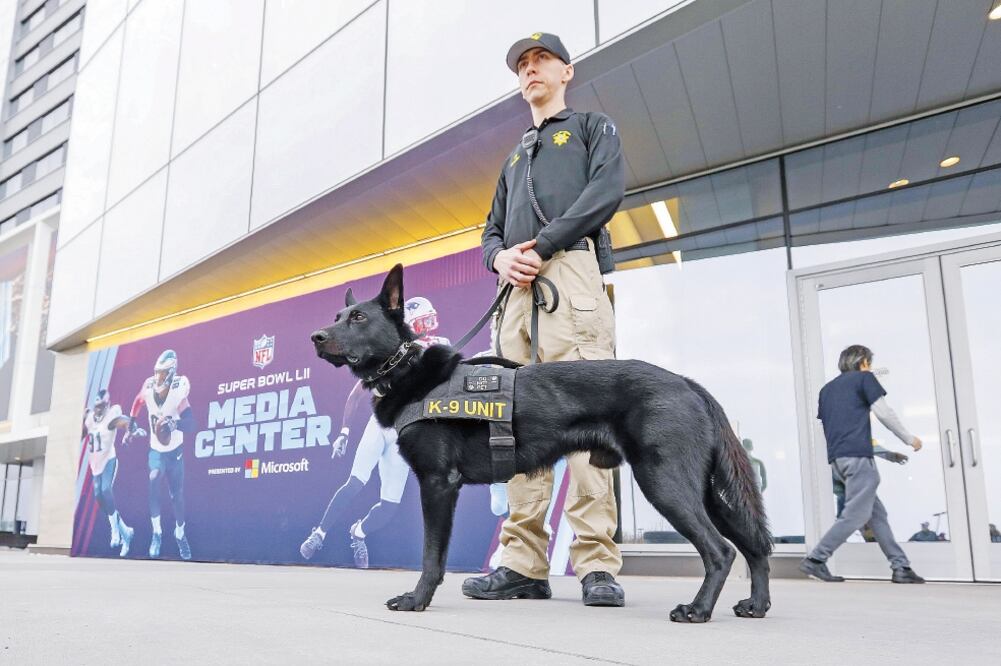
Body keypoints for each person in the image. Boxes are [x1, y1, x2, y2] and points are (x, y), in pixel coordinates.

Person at [464, 32, 626, 607]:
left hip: (571, 278)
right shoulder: (513, 155)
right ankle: (524, 564)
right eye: (522, 65)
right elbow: (488, 230)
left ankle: (596, 564)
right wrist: (500, 258)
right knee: (514, 428)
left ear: (567, 72)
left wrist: (545, 243)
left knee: (587, 423)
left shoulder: (591, 129)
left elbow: (606, 191)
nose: (530, 71)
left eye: (542, 61)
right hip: (517, 295)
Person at [300, 297, 449, 568]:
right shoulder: (391, 352)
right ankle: (318, 533)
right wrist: (344, 432)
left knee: (389, 505)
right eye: (423, 322)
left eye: (430, 321)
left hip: (405, 433)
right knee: (355, 481)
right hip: (381, 425)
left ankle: (358, 532)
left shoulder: (435, 349)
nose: (428, 327)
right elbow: (357, 394)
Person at [800, 345, 925, 584]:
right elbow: (884, 413)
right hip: (858, 460)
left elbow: (841, 428)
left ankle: (901, 567)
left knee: (876, 515)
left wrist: (886, 454)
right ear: (864, 362)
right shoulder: (864, 379)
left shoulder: (827, 390)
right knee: (855, 516)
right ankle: (816, 559)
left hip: (839, 461)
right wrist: (910, 439)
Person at [129, 350, 196, 560]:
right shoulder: (149, 386)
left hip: (174, 451)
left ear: (170, 374)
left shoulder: (178, 390)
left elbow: (192, 423)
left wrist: (175, 424)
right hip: (156, 449)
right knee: (153, 479)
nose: (157, 378)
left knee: (177, 496)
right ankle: (157, 532)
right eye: (156, 373)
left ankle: (179, 534)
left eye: (161, 374)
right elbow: (138, 400)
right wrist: (132, 421)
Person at [82, 389, 145, 557]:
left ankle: (116, 531)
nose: (99, 409)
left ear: (107, 405)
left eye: (103, 405)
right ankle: (126, 532)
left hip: (109, 459)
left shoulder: (111, 416)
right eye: (97, 405)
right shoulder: (89, 418)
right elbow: (81, 434)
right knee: (98, 496)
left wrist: (133, 430)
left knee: (105, 490)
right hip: (95, 464)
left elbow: (125, 422)